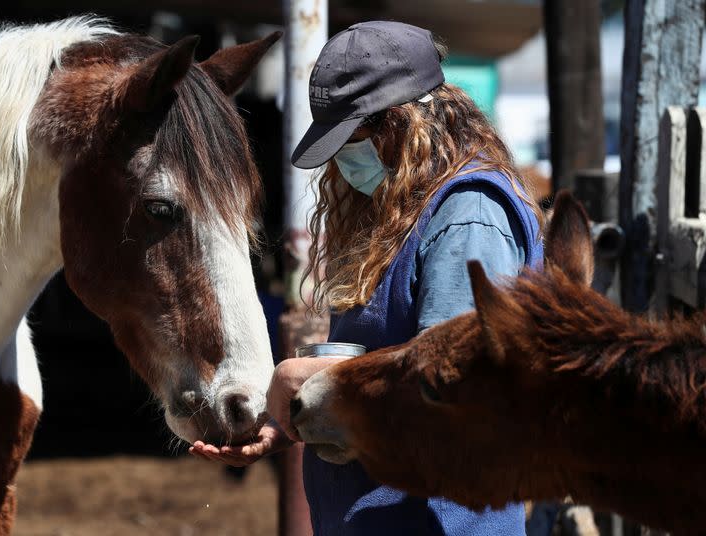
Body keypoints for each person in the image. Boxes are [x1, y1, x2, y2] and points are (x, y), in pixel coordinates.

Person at [190, 20, 544, 535]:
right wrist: (291, 420)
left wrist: (316, 380)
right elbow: (381, 368)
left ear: (400, 123)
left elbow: (458, 383)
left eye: (351, 139)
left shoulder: (468, 216)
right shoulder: (397, 211)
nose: (343, 161)